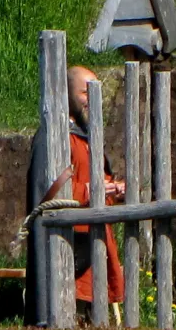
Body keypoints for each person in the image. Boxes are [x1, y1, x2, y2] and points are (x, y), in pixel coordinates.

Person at [36, 64, 126, 307]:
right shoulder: (58, 138)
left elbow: (97, 184)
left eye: (94, 92)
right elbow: (49, 192)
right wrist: (89, 191)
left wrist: (113, 190)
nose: (91, 99)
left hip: (95, 243)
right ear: (68, 96)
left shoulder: (88, 137)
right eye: (85, 92)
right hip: (72, 243)